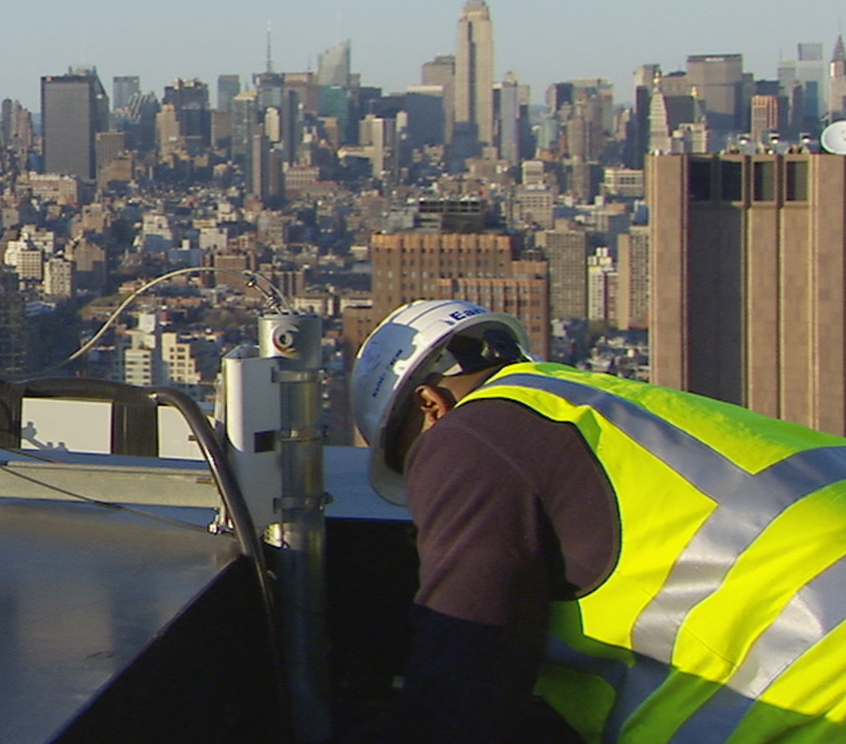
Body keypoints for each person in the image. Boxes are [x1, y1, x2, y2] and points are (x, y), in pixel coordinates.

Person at [347, 299, 846, 744]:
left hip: (820, 688)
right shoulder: (601, 408)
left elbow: (464, 673)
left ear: (430, 405)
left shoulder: (471, 434)